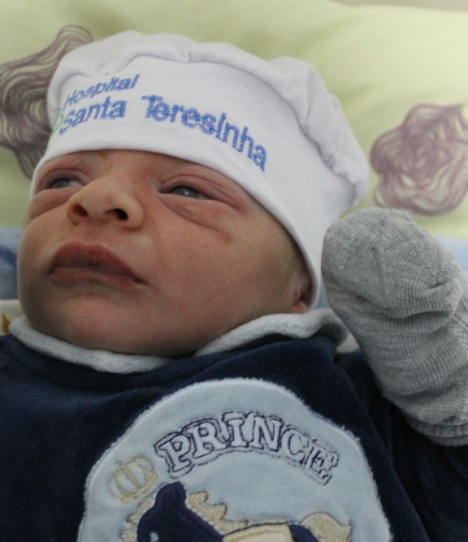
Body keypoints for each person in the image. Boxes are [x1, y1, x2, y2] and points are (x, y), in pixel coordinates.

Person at [0, 31, 466, 542]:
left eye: (186, 191)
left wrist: (440, 386)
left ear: (299, 287)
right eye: (62, 182)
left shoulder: (352, 396)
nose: (95, 198)